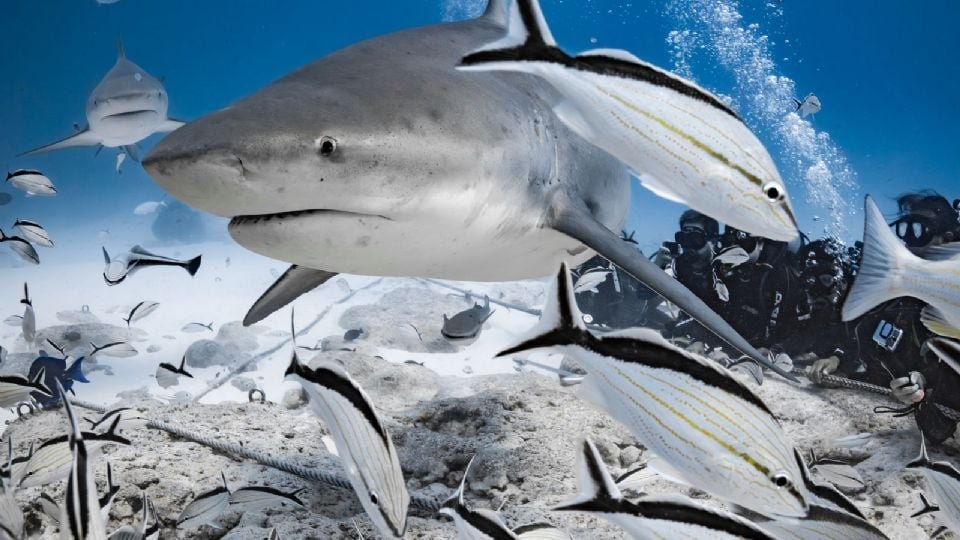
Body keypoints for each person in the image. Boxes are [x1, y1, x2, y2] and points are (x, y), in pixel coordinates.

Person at [807, 192, 960, 444]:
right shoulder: (900, 298)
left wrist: (925, 384)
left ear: (947, 241)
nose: (909, 241)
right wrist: (839, 359)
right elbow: (867, 334)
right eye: (905, 229)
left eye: (919, 230)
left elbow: (938, 424)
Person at [661, 211, 725, 345]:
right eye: (683, 238)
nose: (687, 246)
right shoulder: (678, 266)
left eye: (695, 239)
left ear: (713, 241)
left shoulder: (725, 271)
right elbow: (643, 298)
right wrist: (657, 268)